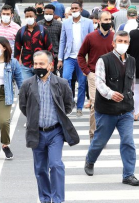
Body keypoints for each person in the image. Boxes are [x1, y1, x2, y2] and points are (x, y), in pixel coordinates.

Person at [19, 50, 79, 203]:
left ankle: (58, 200)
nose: (38, 66)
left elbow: (68, 104)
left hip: (55, 133)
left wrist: (59, 116)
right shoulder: (27, 85)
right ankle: (45, 198)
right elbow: (23, 106)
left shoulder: (62, 83)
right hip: (36, 132)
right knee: (40, 169)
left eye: (42, 64)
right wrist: (33, 117)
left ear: (50, 65)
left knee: (56, 165)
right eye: (36, 64)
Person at [84, 30, 139, 186]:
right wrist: (110, 94)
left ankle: (128, 175)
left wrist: (135, 105)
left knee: (128, 142)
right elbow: (99, 83)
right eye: (120, 41)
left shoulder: (132, 61)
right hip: (107, 110)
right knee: (100, 141)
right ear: (113, 43)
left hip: (126, 110)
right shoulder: (104, 60)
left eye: (126, 41)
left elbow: (133, 83)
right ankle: (90, 160)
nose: (123, 44)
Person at [78, 11, 114, 140]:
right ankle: (93, 134)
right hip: (94, 75)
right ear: (98, 21)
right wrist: (87, 71)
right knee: (94, 104)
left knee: (108, 105)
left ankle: (103, 134)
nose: (108, 22)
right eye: (105, 20)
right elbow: (81, 55)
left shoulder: (114, 37)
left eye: (109, 19)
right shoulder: (90, 37)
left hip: (110, 76)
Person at [58, 1, 94, 117]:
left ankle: (79, 107)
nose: (74, 10)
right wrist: (60, 59)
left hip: (82, 58)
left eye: (76, 8)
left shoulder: (88, 22)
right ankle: (69, 102)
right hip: (69, 56)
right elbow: (62, 41)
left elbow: (92, 42)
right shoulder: (66, 23)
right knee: (66, 79)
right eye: (72, 8)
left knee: (82, 83)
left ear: (81, 9)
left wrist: (91, 59)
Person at [15, 7, 53, 80]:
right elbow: (17, 49)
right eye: (27, 16)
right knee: (27, 87)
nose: (29, 18)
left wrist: (51, 63)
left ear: (35, 16)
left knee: (41, 87)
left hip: (41, 64)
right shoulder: (21, 31)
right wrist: (16, 65)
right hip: (26, 66)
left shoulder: (43, 30)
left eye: (31, 16)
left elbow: (49, 48)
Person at [38, 4, 62, 74]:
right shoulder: (39, 24)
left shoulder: (59, 25)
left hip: (54, 56)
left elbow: (61, 41)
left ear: (53, 14)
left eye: (50, 14)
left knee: (52, 75)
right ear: (43, 13)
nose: (48, 15)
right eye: (46, 14)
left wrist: (59, 56)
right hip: (42, 54)